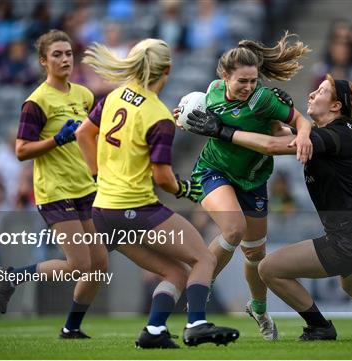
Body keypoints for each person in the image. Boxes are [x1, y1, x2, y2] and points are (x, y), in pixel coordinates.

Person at [186, 74, 352, 340]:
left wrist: (221, 131)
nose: (313, 94)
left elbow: (271, 146)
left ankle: (320, 326)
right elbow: (275, 133)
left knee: (268, 268)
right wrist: (276, 113)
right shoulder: (329, 134)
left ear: (336, 106)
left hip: (351, 237)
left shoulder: (334, 136)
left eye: (322, 91)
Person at [76, 38, 239, 348]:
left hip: (103, 211)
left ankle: (153, 332)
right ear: (168, 69)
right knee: (203, 257)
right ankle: (197, 323)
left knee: (175, 272)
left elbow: (84, 133)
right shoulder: (158, 114)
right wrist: (186, 190)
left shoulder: (114, 97)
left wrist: (98, 175)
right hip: (136, 209)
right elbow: (163, 177)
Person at [176, 31, 313, 341]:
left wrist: (302, 134)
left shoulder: (263, 100)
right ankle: (202, 283)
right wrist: (180, 118)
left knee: (255, 256)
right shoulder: (209, 93)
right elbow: (187, 116)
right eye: (242, 81)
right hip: (213, 171)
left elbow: (300, 121)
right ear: (224, 77)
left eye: (253, 80)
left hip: (253, 179)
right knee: (233, 230)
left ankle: (259, 309)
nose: (249, 87)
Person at [0, 30, 108, 339]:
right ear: (43, 61)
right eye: (57, 54)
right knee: (80, 264)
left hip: (86, 188)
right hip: (55, 191)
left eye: (68, 53)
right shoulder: (36, 102)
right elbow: (21, 150)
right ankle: (14, 277)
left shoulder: (84, 95)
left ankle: (71, 328)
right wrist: (56, 140)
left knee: (99, 266)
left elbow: (91, 138)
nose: (65, 59)